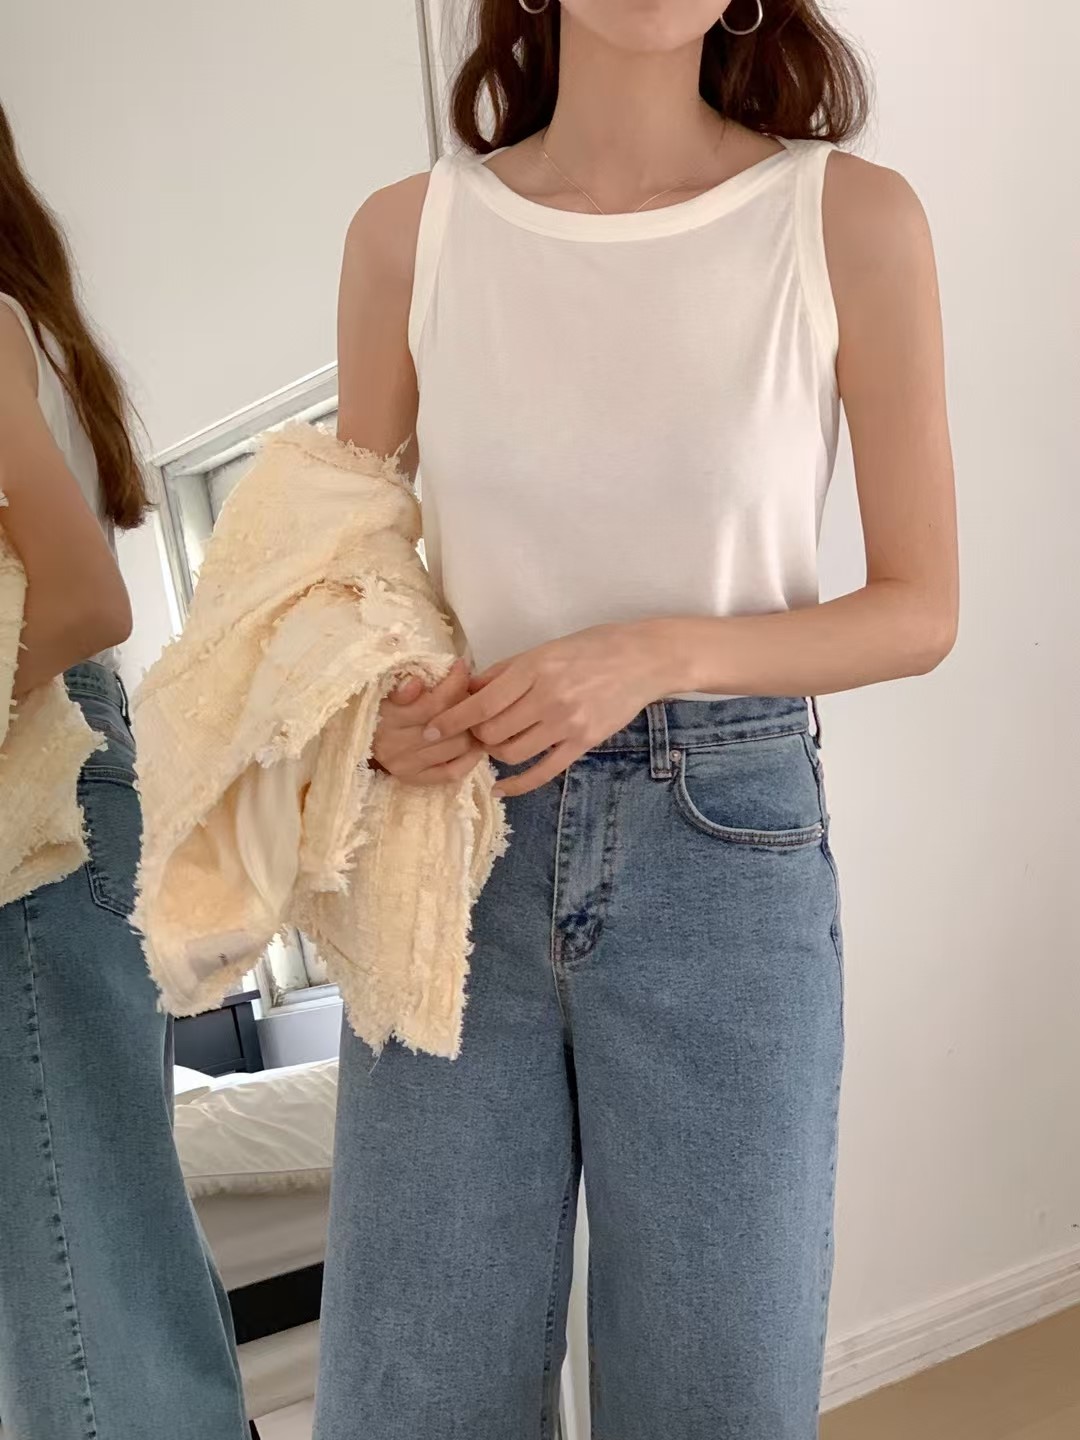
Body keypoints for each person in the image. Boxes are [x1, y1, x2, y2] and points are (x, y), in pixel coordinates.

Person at [315, 1, 958, 1436]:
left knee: (715, 1398)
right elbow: (347, 581)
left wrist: (656, 653)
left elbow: (921, 607)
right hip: (451, 839)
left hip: (722, 846)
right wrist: (373, 715)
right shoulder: (409, 236)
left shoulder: (846, 219)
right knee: (413, 1395)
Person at [0, 101, 249, 1440]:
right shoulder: (27, 323)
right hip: (57, 789)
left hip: (41, 791)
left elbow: (89, 601)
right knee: (93, 1271)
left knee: (79, 1295)